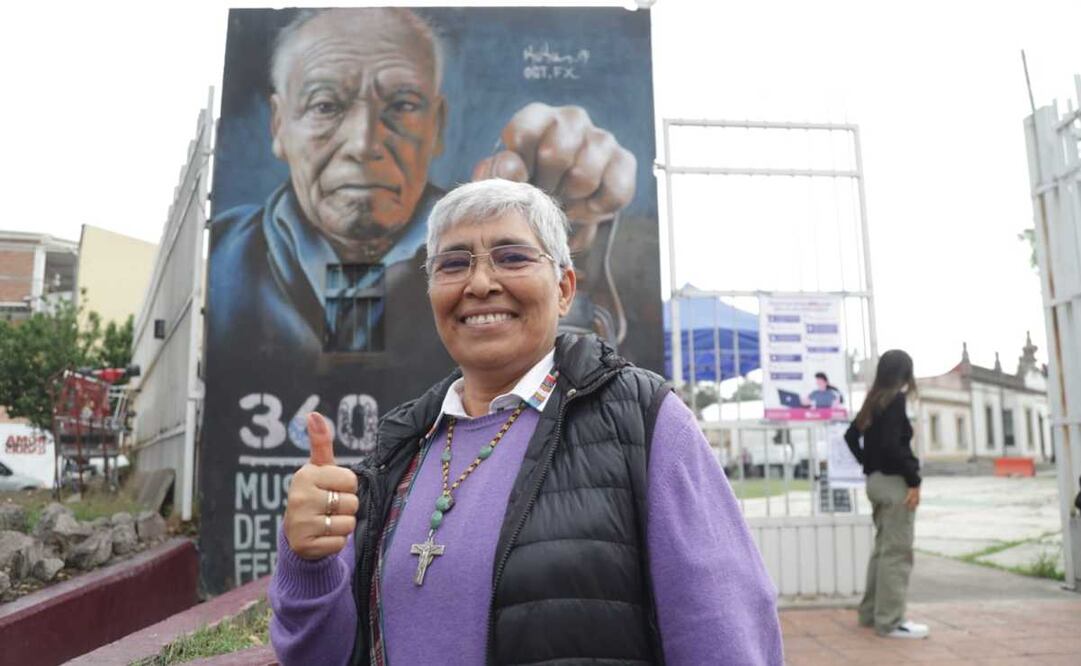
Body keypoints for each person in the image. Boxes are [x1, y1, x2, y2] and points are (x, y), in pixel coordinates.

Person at [268, 180, 784, 665]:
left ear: (563, 288)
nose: (480, 283)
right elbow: (321, 655)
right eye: (453, 264)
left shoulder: (645, 421)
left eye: (512, 257)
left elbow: (724, 634)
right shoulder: (400, 447)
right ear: (431, 292)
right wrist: (308, 561)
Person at [209, 7, 636, 364]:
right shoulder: (222, 259)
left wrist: (572, 239)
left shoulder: (496, 248)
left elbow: (578, 381)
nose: (364, 144)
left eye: (401, 106)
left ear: (437, 126)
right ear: (279, 125)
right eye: (325, 105)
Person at [843, 350, 928, 639]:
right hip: (894, 484)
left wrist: (868, 463)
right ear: (905, 372)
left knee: (882, 551)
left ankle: (870, 614)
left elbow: (851, 436)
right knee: (897, 553)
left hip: (875, 483)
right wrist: (913, 479)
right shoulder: (895, 400)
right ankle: (890, 622)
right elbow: (895, 447)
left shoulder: (874, 400)